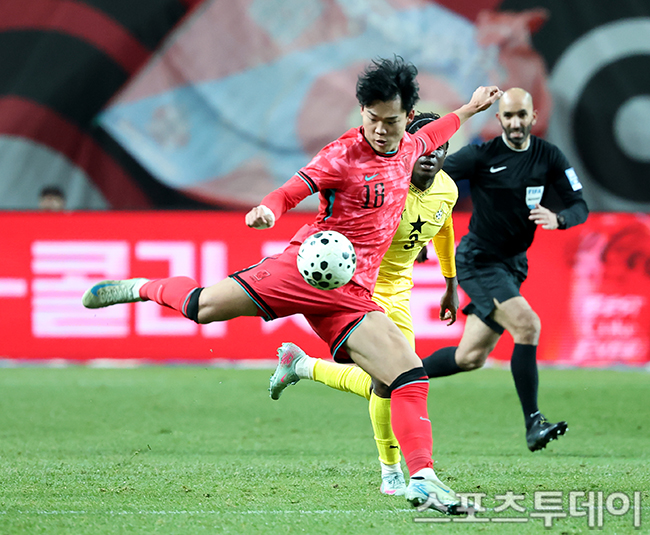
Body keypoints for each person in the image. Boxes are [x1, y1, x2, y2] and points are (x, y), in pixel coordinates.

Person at [81, 56, 501, 515]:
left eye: (392, 121)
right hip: (302, 271)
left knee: (408, 374)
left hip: (351, 294)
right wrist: (269, 210)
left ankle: (422, 480)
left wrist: (472, 107)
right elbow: (289, 191)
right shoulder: (341, 155)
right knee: (201, 307)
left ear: (406, 116)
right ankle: (141, 287)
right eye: (373, 119)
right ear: (362, 111)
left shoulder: (413, 146)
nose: (381, 130)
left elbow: (441, 129)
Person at [268, 112, 460, 497]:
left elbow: (443, 227)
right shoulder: (385, 182)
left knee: (389, 379)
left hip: (399, 288)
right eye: (424, 146)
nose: (430, 154)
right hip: (361, 286)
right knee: (397, 378)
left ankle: (301, 365)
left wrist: (450, 283)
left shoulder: (447, 190)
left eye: (439, 148)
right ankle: (391, 473)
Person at [421, 87, 588, 452]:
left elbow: (579, 205)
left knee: (470, 357)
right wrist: (420, 233)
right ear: (499, 119)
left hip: (513, 264)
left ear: (532, 117)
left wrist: (559, 219)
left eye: (521, 115)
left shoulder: (549, 156)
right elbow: (429, 177)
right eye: (508, 116)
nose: (515, 122)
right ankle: (533, 423)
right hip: (479, 261)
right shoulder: (482, 155)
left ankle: (400, 375)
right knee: (528, 325)